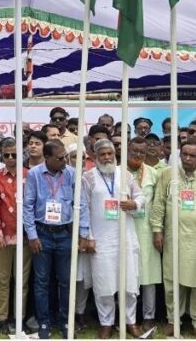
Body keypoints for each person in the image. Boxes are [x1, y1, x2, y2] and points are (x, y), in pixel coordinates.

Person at [149, 140, 196, 338]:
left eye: (192, 155)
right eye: (184, 154)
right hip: (175, 236)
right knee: (173, 280)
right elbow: (158, 203)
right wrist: (157, 230)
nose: (187, 158)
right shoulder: (168, 174)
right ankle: (173, 320)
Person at [79, 139, 146, 339]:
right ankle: (106, 323)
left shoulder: (125, 174)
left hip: (126, 237)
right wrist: (88, 236)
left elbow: (141, 196)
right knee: (104, 284)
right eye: (103, 154)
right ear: (95, 156)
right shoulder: (88, 177)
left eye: (110, 153)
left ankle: (130, 322)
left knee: (129, 283)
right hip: (101, 240)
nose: (107, 157)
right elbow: (84, 209)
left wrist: (134, 204)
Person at [24, 139, 85, 339]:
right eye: (59, 158)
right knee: (41, 281)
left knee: (66, 281)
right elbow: (28, 206)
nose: (64, 161)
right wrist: (32, 235)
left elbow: (81, 204)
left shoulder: (71, 173)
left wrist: (83, 233)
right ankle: (44, 322)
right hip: (42, 233)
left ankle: (66, 322)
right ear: (47, 157)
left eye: (65, 157)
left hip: (65, 233)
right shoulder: (34, 174)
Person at [0, 134, 30, 334]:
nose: (11, 158)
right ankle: (2, 318)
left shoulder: (30, 175)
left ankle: (19, 317)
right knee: (3, 280)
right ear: (2, 155)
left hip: (26, 236)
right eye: (7, 155)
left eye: (15, 155)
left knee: (22, 280)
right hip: (3, 236)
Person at [126, 137, 160, 332]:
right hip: (125, 228)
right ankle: (128, 317)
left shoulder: (153, 174)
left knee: (149, 276)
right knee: (128, 274)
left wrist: (157, 231)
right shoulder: (119, 172)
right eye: (134, 151)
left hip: (147, 230)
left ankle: (149, 316)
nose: (138, 155)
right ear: (128, 150)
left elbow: (157, 204)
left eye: (142, 152)